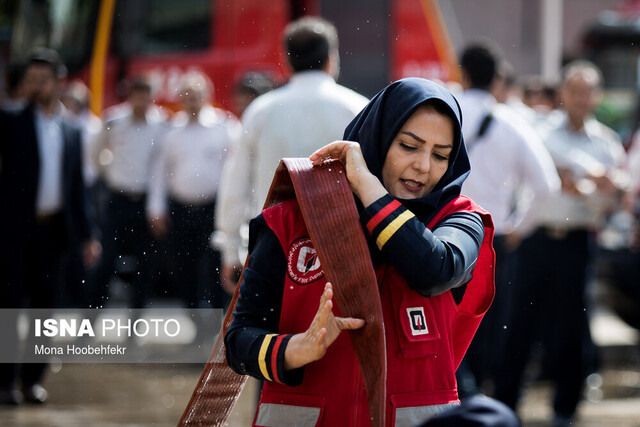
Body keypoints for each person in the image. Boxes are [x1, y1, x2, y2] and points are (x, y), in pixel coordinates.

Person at [223, 78, 512, 426]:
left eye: (440, 155)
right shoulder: (292, 219)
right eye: (408, 146)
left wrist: (366, 185)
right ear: (376, 138)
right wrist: (297, 348)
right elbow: (239, 342)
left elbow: (434, 270)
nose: (424, 165)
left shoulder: (460, 220)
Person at [494, 60, 628, 426]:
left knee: (571, 328)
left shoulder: (607, 142)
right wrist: (585, 177)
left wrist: (589, 188)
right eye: (576, 90)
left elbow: (614, 199)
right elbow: (543, 165)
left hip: (577, 242)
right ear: (564, 93)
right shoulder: (541, 129)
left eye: (589, 92)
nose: (582, 99)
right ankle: (504, 407)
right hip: (537, 239)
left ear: (595, 96)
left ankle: (565, 410)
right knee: (519, 323)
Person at [215, 17, 368, 294]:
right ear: (331, 59)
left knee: (276, 334)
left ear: (286, 60)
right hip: (343, 250)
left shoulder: (260, 111)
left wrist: (230, 250)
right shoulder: (358, 109)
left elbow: (235, 185)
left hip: (273, 246)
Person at [455, 42, 560, 396]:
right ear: (496, 79)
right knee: (489, 327)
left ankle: (450, 401)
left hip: (442, 236)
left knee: (444, 327)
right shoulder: (512, 123)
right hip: (493, 239)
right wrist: (518, 226)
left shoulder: (443, 113)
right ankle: (484, 406)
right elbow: (547, 185)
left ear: (464, 74)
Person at [0, 48, 99, 405]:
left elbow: (76, 189)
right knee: (10, 306)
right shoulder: (9, 122)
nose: (34, 85)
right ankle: (6, 381)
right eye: (30, 79)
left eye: (41, 79)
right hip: (13, 232)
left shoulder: (72, 130)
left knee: (46, 310)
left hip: (54, 233)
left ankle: (32, 380)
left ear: (58, 82)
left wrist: (88, 234)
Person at [147, 72, 240, 308]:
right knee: (183, 268)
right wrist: (156, 209)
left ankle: (220, 326)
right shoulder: (171, 132)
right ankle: (197, 324)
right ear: (180, 99)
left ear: (207, 96)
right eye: (187, 96)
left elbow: (237, 170)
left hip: (214, 210)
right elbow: (160, 174)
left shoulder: (224, 127)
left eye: (197, 96)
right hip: (181, 210)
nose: (193, 101)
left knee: (215, 268)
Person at [88, 75, 166, 308]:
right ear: (131, 96)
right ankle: (89, 321)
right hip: (118, 198)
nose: (141, 100)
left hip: (145, 202)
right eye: (137, 95)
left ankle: (134, 327)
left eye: (146, 95)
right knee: (106, 261)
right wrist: (109, 172)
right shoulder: (114, 120)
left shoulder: (160, 124)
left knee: (145, 265)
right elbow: (94, 153)